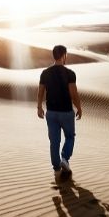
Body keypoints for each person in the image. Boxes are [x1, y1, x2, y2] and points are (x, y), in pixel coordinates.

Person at [37, 45, 82, 179]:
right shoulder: (70, 73)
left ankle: (57, 168)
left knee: (54, 141)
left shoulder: (45, 73)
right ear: (63, 56)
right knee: (70, 137)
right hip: (66, 113)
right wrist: (79, 107)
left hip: (51, 113)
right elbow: (73, 94)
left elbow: (40, 93)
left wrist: (39, 107)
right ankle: (65, 159)